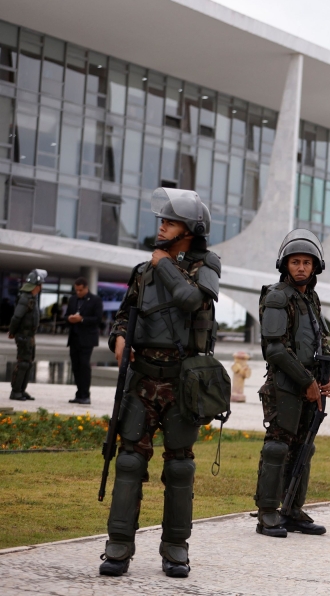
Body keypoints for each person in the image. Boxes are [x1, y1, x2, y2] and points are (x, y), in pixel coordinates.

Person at [99, 188, 220, 578]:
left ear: (189, 230)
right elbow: (123, 315)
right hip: (142, 379)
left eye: (169, 222)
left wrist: (164, 265)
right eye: (162, 221)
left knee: (180, 468)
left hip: (183, 382)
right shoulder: (143, 271)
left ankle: (175, 549)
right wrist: (118, 338)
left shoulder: (207, 266)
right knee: (130, 461)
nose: (162, 226)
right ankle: (118, 546)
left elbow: (190, 300)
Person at [254, 229, 330, 538]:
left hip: (310, 388)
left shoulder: (311, 298)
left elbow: (321, 341)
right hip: (284, 388)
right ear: (284, 265)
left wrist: (329, 377)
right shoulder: (276, 296)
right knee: (277, 448)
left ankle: (291, 509)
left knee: (304, 447)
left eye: (306, 262)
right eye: (295, 262)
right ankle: (267, 513)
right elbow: (274, 348)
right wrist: (307, 382)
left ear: (315, 267)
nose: (301, 268)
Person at [7, 268, 45, 401]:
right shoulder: (25, 298)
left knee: (28, 363)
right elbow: (16, 317)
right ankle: (16, 391)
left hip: (29, 336)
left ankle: (21, 390)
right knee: (23, 363)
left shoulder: (31, 298)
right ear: (37, 285)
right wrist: (12, 331)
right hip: (24, 335)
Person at [67, 277, 103, 405]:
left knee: (84, 365)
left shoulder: (95, 300)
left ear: (86, 288)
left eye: (80, 290)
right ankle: (79, 393)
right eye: (76, 290)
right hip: (74, 338)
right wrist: (70, 318)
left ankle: (85, 395)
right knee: (75, 366)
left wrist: (82, 319)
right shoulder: (72, 300)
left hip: (87, 339)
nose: (78, 292)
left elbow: (98, 319)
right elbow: (67, 315)